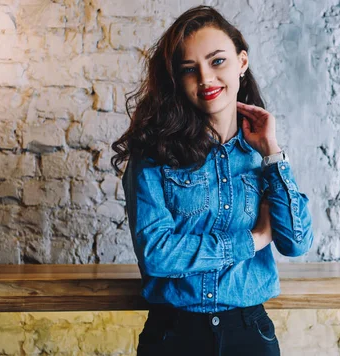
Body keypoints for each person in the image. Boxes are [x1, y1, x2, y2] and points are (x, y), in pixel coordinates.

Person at [110, 6, 314, 355]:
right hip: (173, 335)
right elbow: (157, 255)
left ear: (242, 63)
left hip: (249, 334)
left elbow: (296, 242)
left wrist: (272, 151)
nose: (205, 78)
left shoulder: (262, 157)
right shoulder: (153, 154)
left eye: (217, 61)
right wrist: (252, 241)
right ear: (177, 80)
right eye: (189, 69)